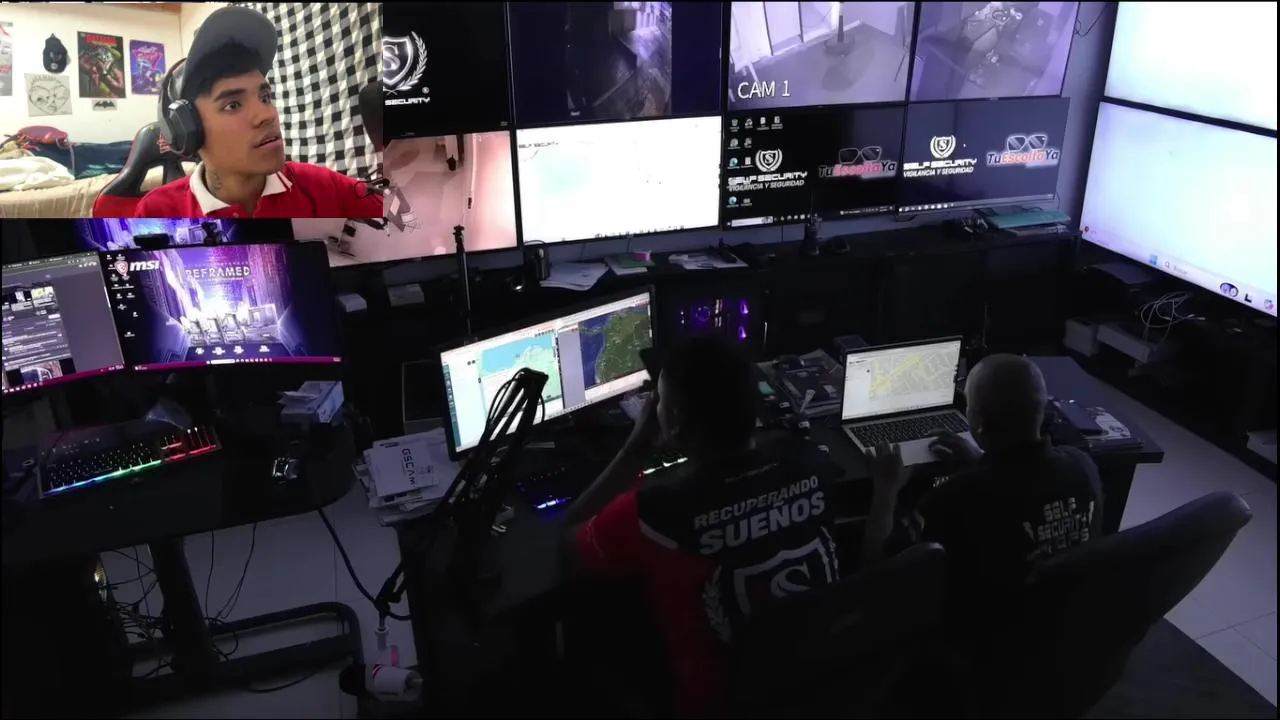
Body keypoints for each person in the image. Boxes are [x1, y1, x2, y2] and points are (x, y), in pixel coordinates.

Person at [562, 336, 842, 716]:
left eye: (659, 400)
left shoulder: (654, 514)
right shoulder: (811, 463)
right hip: (815, 689)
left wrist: (634, 449)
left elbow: (569, 547)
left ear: (673, 418)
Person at [861, 354, 1103, 626]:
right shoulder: (1083, 466)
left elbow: (878, 571)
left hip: (981, 640)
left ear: (978, 422)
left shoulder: (956, 498)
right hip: (1062, 627)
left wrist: (885, 489)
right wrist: (980, 461)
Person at [134, 6, 384, 220]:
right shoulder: (156, 212)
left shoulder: (322, 187)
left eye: (265, 98)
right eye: (233, 105)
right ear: (187, 129)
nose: (267, 115)